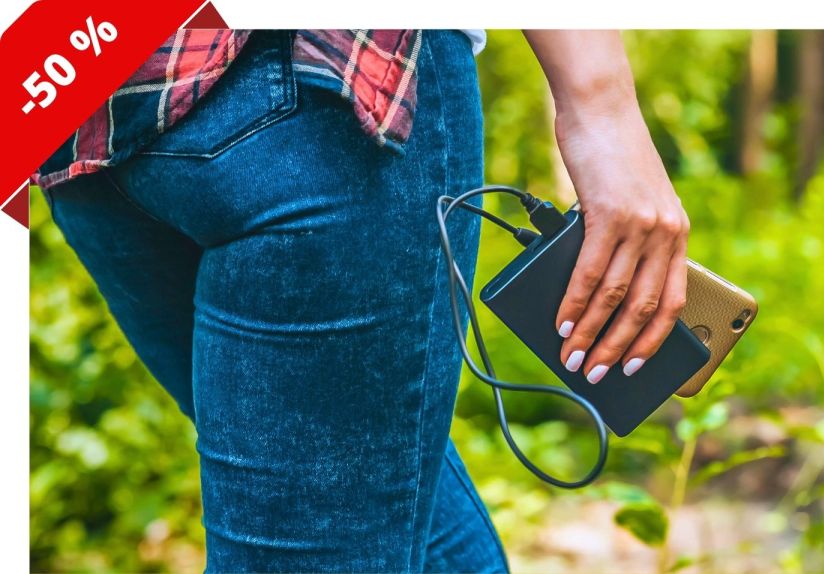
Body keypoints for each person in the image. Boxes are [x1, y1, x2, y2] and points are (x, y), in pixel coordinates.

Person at [36, 29, 689, 572]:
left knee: (381, 510)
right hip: (319, 87)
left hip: (82, 96)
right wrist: (601, 103)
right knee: (362, 509)